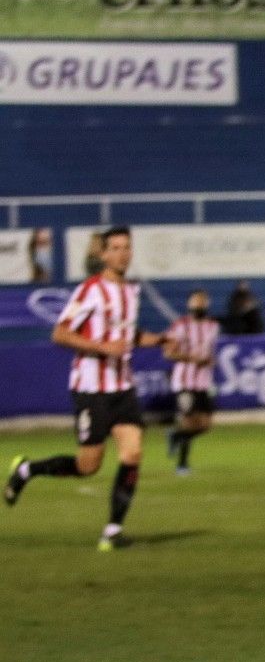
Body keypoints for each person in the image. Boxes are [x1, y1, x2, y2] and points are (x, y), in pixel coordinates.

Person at [6, 227, 166, 549]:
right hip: (91, 389)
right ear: (103, 254)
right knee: (87, 466)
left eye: (127, 247)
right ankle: (28, 469)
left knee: (132, 452)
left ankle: (112, 531)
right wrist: (104, 348)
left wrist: (162, 340)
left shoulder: (130, 292)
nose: (122, 253)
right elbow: (61, 334)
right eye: (116, 248)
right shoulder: (91, 290)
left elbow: (127, 336)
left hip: (122, 387)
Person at [163, 290, 220, 476]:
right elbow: (169, 352)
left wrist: (210, 360)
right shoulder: (180, 326)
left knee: (205, 424)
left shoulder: (212, 326)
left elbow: (209, 350)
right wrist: (191, 358)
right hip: (184, 381)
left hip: (203, 381)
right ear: (189, 305)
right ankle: (182, 464)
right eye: (196, 303)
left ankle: (176, 435)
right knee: (189, 421)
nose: (199, 306)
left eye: (202, 302)